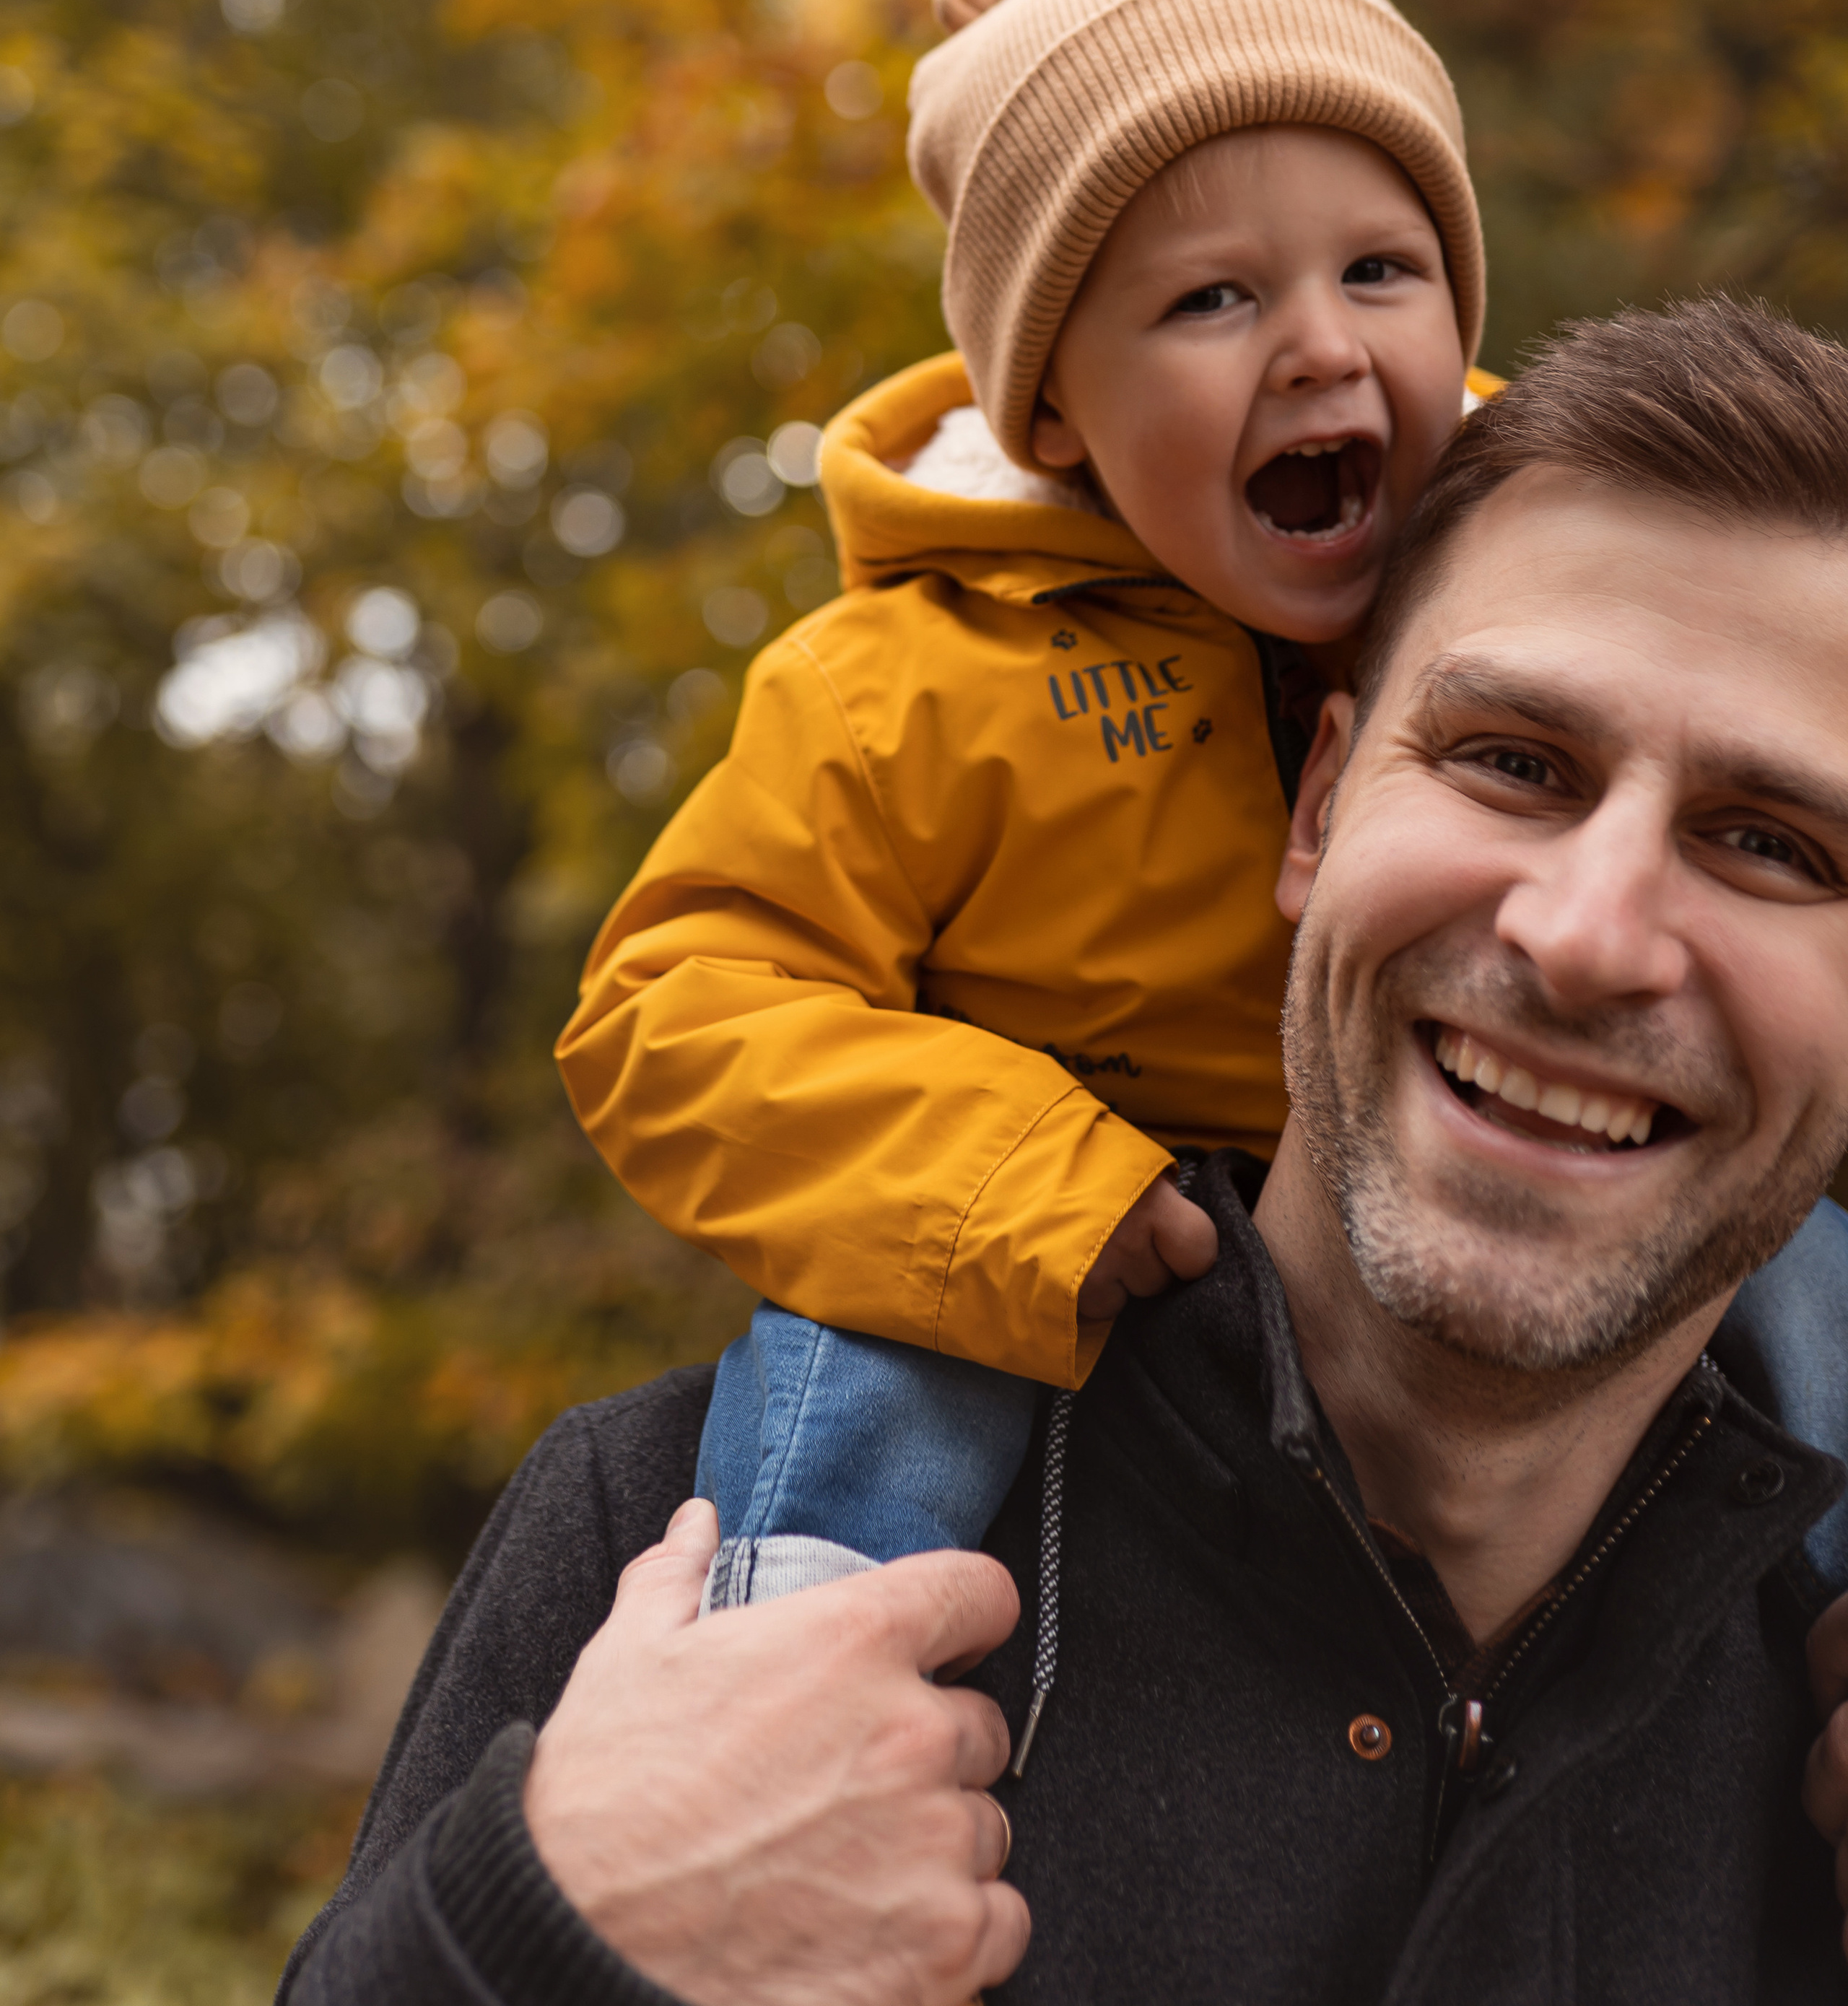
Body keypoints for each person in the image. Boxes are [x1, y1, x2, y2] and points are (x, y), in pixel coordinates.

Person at [284, 296, 1848, 2003]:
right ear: (1316, 809)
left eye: (1769, 842)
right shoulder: (688, 1562)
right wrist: (548, 1936)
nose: (1586, 934)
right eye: (1510, 761)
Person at [559, 0, 1499, 1606]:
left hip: (1458, 1159)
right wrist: (1006, 1182)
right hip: (1060, 1214)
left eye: (1380, 270)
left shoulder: (1547, 570)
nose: (1318, 345)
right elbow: (670, 1012)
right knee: (880, 1369)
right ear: (1047, 412)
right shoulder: (908, 679)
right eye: (1211, 297)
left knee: (1789, 1269)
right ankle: (775, 1706)